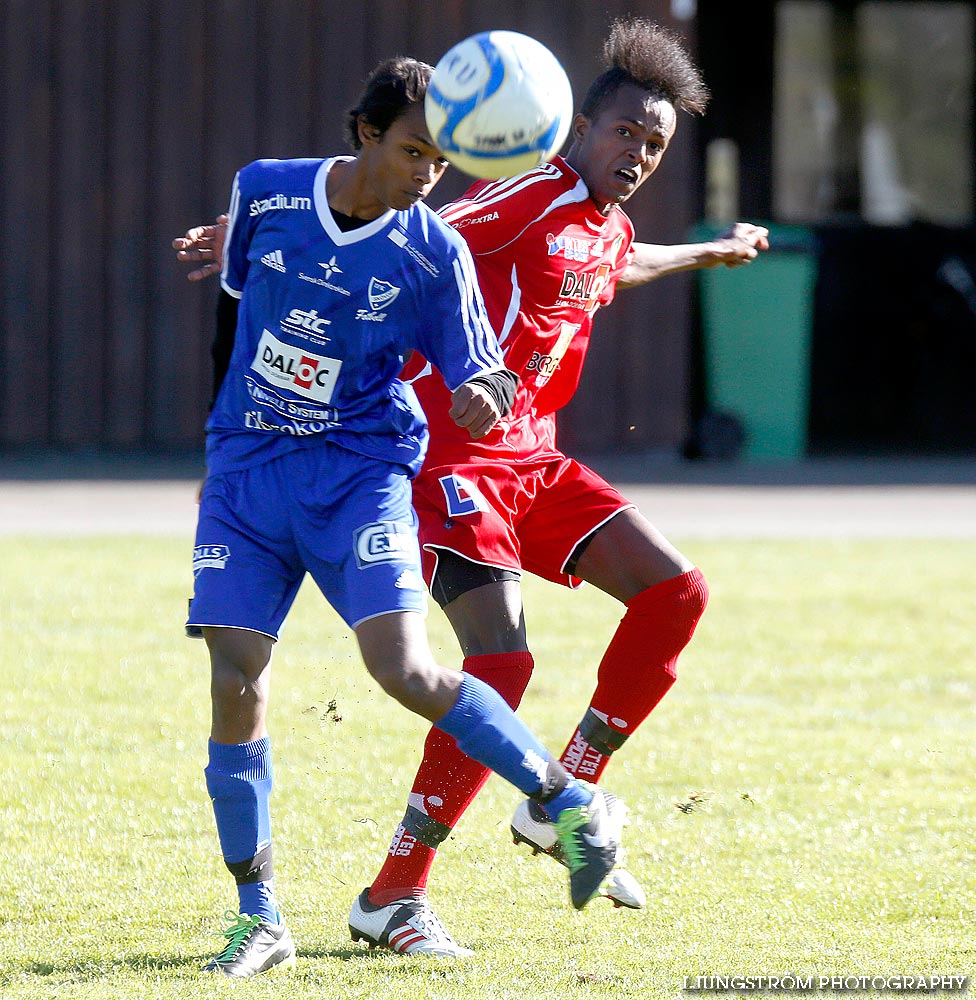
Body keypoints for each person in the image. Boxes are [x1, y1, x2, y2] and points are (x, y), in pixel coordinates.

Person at [175, 18, 769, 960]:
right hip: (450, 462)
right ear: (576, 125)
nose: (641, 156)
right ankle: (396, 893)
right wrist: (271, 235)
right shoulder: (523, 198)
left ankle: (560, 794)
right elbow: (418, 233)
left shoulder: (602, 223)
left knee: (675, 592)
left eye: (656, 146)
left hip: (531, 461)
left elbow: (622, 262)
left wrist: (706, 254)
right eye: (626, 135)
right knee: (494, 663)